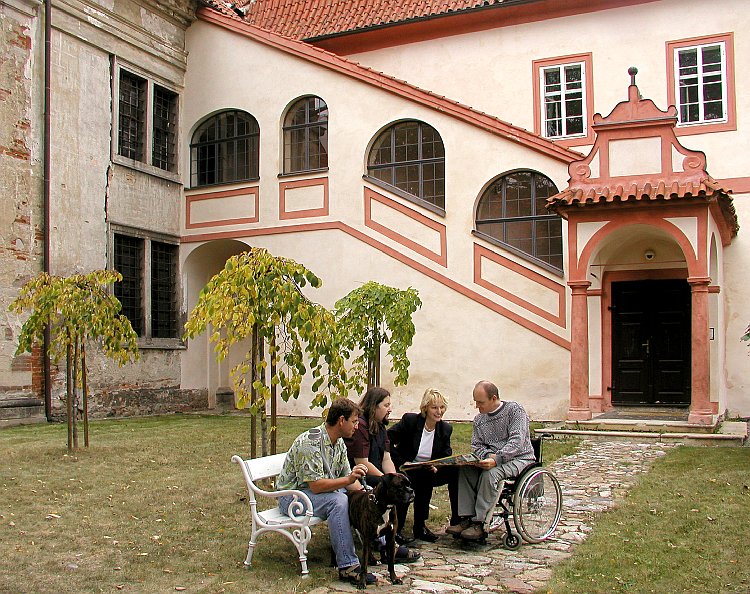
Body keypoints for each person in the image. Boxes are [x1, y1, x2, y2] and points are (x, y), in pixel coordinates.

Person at [276, 398, 377, 586]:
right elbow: (315, 485)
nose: (357, 426)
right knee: (338, 501)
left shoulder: (338, 442)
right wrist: (348, 480)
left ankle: (383, 545)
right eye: (354, 422)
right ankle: (348, 565)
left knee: (363, 497)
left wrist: (370, 495)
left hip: (313, 495)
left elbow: (349, 480)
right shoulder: (310, 441)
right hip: (292, 498)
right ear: (341, 420)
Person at [445, 380, 536, 541]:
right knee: (465, 470)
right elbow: (477, 445)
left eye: (481, 402)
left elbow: (517, 440)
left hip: (519, 458)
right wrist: (486, 457)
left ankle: (480, 522)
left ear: (493, 398)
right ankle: (466, 518)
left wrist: (497, 459)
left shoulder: (515, 411)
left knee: (491, 474)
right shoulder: (479, 420)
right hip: (491, 458)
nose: (477, 407)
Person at [345, 386, 421, 562]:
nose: (390, 409)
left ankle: (393, 532)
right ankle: (386, 545)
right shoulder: (361, 426)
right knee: (388, 490)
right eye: (386, 405)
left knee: (403, 486)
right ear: (374, 406)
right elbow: (362, 462)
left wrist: (396, 478)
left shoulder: (381, 427)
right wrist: (386, 480)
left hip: (377, 473)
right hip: (361, 476)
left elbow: (386, 458)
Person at [388, 388, 461, 542]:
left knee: (457, 471)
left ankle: (455, 520)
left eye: (441, 407)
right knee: (413, 480)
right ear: (425, 408)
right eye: (434, 407)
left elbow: (446, 453)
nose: (439, 411)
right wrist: (401, 462)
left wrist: (439, 465)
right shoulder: (410, 421)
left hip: (427, 469)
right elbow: (387, 439)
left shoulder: (445, 428)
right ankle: (398, 527)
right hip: (407, 468)